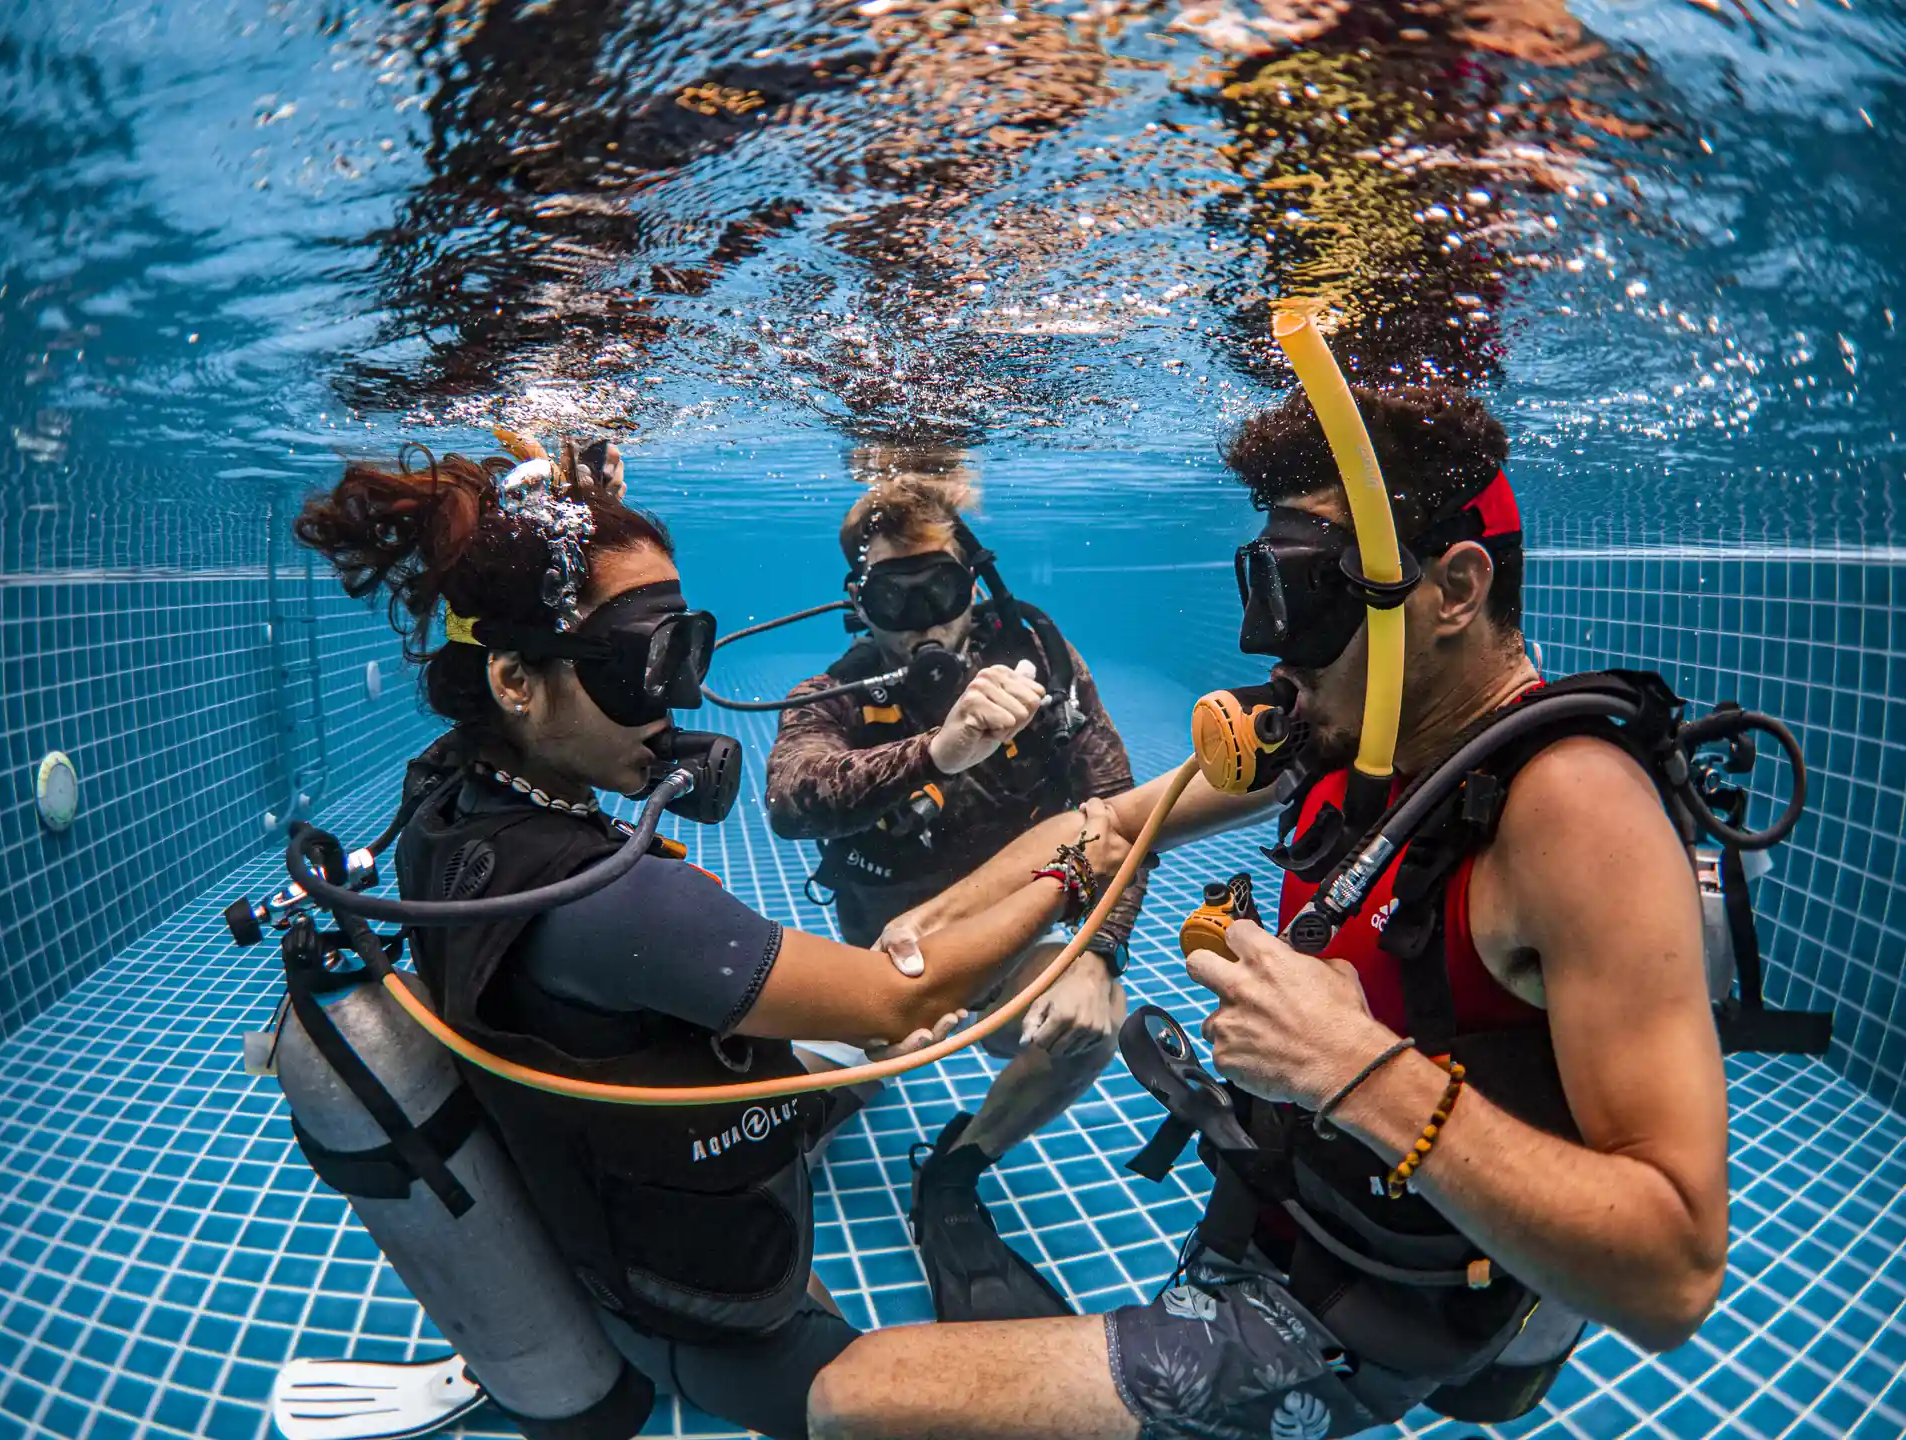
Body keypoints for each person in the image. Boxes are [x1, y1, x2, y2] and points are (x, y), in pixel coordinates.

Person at [804, 386, 1735, 1439]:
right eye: (1261, 587)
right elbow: (1108, 825)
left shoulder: (1572, 811)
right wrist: (909, 956)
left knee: (856, 1397)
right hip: (1289, 1202)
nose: (1268, 650)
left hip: (1369, 1315)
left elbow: (1674, 1278)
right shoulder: (1350, 734)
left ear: (1456, 589)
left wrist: (1352, 1069)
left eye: (1304, 599)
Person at [287, 436, 1131, 1440]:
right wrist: (1070, 864)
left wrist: (582, 528)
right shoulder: (617, 902)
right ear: (514, 682)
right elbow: (895, 997)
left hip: (597, 1193)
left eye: (683, 649)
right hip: (692, 1308)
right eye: (648, 662)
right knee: (866, 1384)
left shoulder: (449, 793)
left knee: (858, 1062)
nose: (683, 697)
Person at [763, 446, 1150, 1324]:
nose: (920, 628)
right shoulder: (840, 690)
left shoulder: (1041, 661)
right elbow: (791, 799)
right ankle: (838, 1094)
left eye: (937, 592)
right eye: (892, 601)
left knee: (1093, 1026)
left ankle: (960, 1165)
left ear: (973, 584)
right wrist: (935, 753)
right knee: (788, 1110)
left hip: (1005, 943)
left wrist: (1102, 952)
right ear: (858, 604)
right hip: (881, 962)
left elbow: (1121, 810)